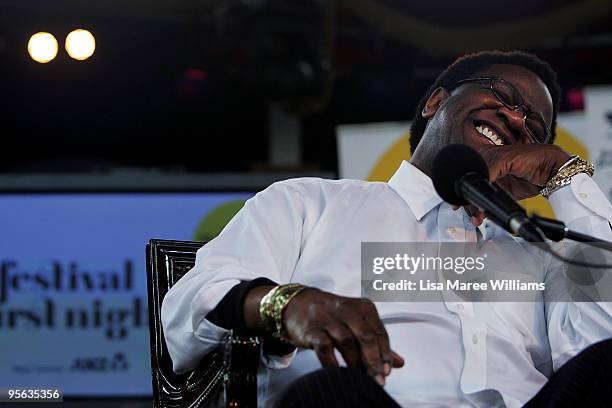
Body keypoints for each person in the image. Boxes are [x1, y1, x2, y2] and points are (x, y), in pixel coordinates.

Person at [161, 50, 612, 407]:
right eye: (502, 95)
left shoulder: (541, 255)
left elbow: (596, 351)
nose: (517, 120)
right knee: (328, 391)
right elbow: (189, 307)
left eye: (536, 127)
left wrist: (569, 178)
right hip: (365, 399)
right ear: (436, 101)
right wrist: (287, 305)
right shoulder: (310, 203)